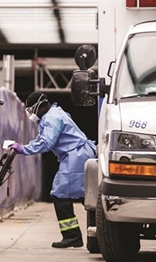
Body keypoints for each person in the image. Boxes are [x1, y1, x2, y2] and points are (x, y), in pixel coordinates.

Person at [9, 91, 96, 248]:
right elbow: (42, 138)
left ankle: (72, 236)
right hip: (78, 154)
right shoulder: (54, 113)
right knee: (86, 195)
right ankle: (97, 234)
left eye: (31, 109)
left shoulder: (52, 118)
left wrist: (23, 149)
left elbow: (46, 143)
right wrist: (26, 146)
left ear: (40, 106)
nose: (31, 114)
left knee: (60, 193)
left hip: (75, 155)